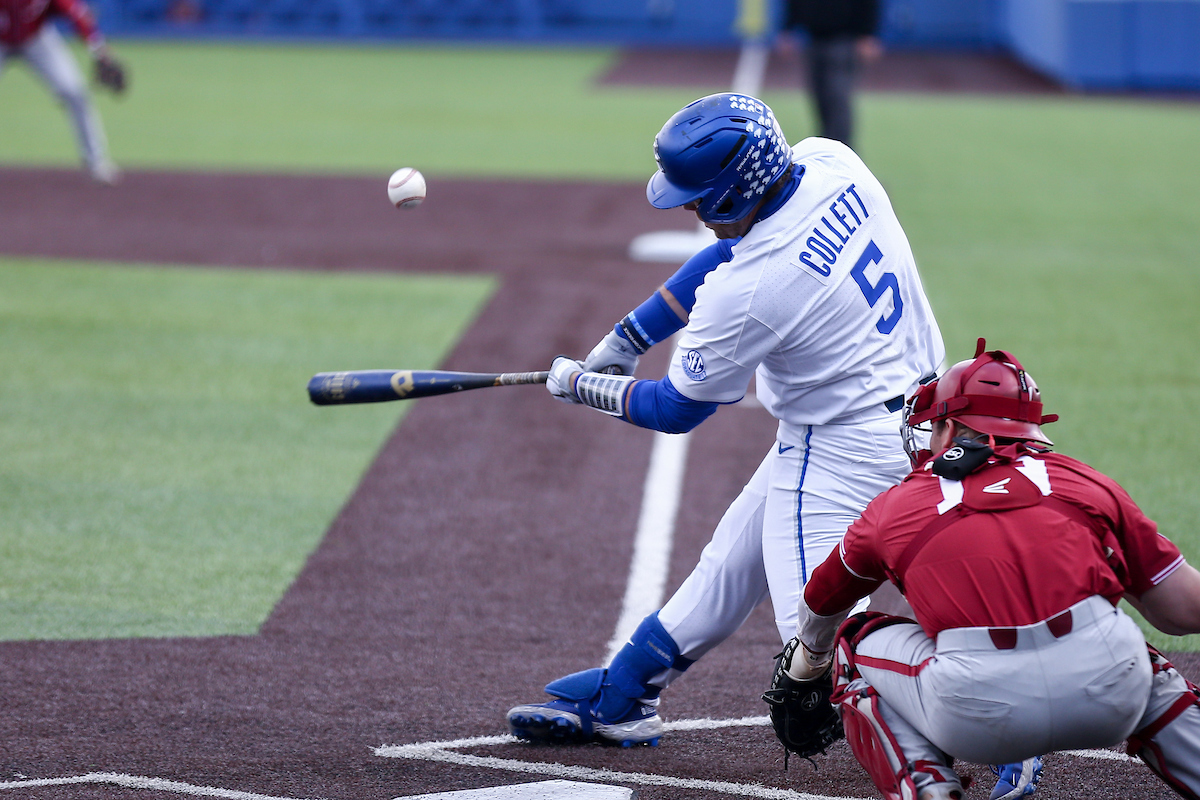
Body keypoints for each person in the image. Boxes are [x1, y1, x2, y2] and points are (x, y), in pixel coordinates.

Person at [506, 91, 945, 749]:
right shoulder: (831, 162)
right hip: (932, 419)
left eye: (696, 196)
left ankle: (975, 736)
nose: (686, 206)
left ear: (731, 195)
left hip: (841, 449)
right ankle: (625, 692)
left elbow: (677, 408)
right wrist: (631, 334)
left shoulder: (755, 292)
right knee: (733, 559)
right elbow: (733, 253)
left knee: (820, 640)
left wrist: (582, 385)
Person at [778, 339, 1200, 800]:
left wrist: (807, 664)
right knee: (1137, 656)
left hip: (976, 713)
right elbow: (1182, 612)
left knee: (852, 640)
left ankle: (928, 789)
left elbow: (821, 605)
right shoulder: (1089, 484)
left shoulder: (894, 507)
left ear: (950, 427)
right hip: (1109, 696)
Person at [0, 0, 127, 185]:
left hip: (37, 38)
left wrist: (99, 51)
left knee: (76, 93)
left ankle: (96, 161)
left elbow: (77, 13)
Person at [779, 0, 881, 149]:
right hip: (814, 38)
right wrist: (788, 27)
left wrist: (867, 33)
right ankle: (825, 150)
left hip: (844, 38)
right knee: (821, 100)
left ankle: (842, 153)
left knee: (837, 98)